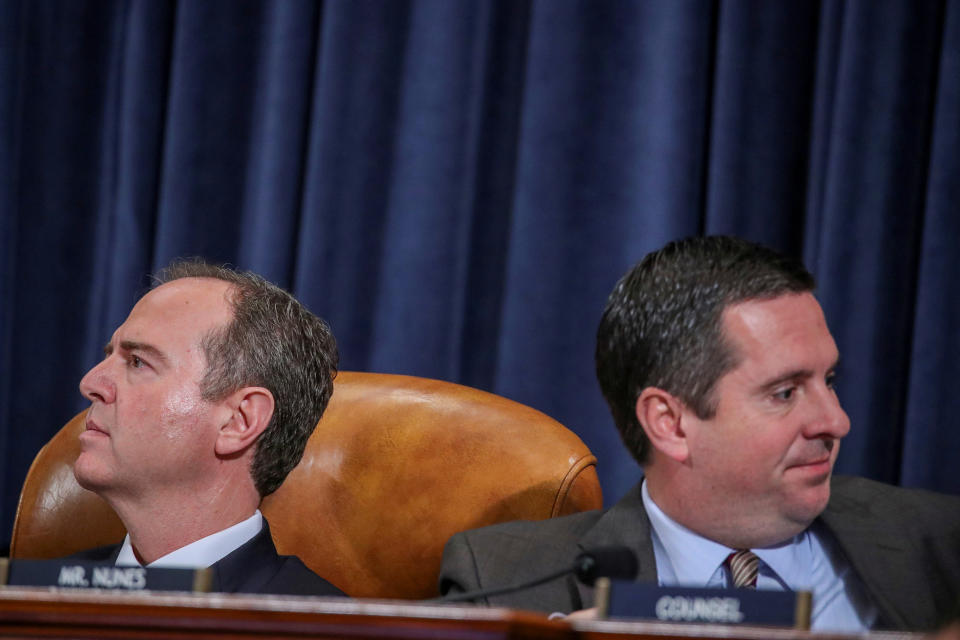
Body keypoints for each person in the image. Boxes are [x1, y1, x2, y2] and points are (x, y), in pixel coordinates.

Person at [438, 236, 960, 631]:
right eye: (785, 393)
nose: (836, 421)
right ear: (671, 424)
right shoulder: (505, 580)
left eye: (828, 381)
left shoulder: (939, 541)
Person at [70, 259, 344, 596]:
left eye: (138, 361)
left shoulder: (322, 628)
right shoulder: (27, 598)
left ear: (239, 421)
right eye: (109, 355)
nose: (90, 382)